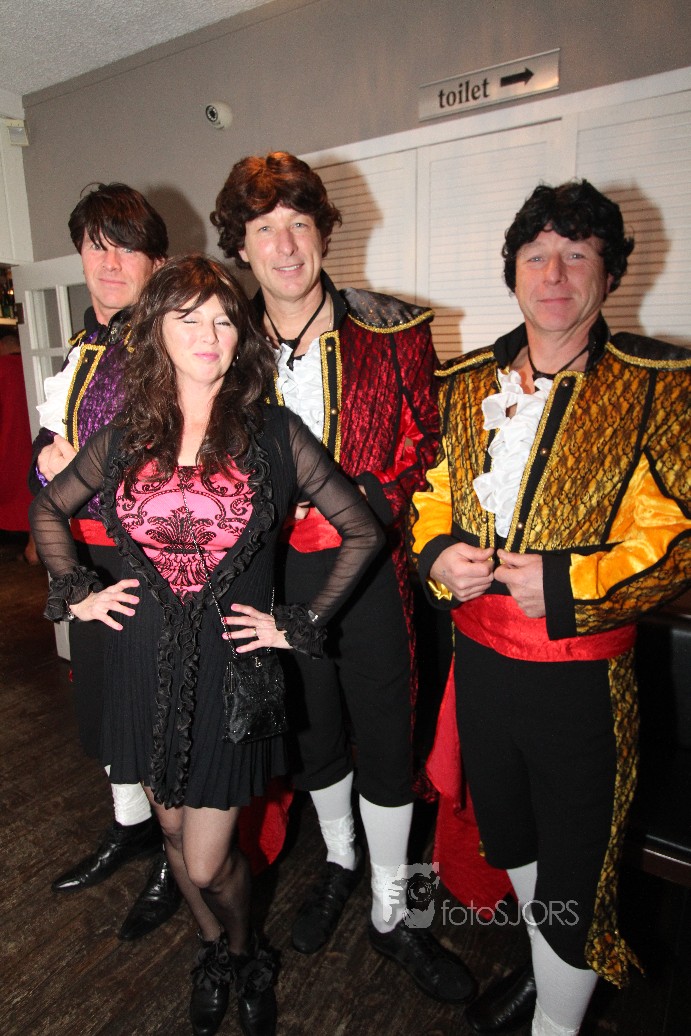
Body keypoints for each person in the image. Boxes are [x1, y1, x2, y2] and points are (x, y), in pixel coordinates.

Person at [30, 253, 383, 1036]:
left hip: (232, 676)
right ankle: (213, 951)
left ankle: (247, 951)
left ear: (241, 337)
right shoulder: (126, 435)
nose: (209, 334)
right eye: (188, 318)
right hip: (140, 665)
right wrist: (80, 591)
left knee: (204, 858)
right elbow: (49, 508)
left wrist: (295, 621)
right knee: (167, 832)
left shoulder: (274, 435)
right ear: (158, 331)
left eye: (224, 319)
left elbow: (362, 530)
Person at [409, 180, 691, 1036]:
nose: (554, 274)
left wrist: (569, 584)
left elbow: (678, 539)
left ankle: (557, 1023)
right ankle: (545, 972)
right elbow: (433, 492)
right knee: (514, 843)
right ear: (513, 274)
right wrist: (436, 554)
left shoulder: (659, 384)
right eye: (536, 256)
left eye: (576, 255)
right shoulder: (464, 381)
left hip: (580, 682)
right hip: (479, 667)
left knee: (576, 872)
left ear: (610, 274)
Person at [210, 152, 475, 1005]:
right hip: (272, 579)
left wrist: (362, 502)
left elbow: (429, 444)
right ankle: (338, 863)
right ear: (241, 246)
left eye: (299, 224)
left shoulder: (394, 329)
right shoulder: (221, 342)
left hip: (371, 573)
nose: (285, 246)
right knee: (314, 733)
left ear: (323, 232)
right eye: (264, 229)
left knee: (387, 738)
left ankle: (393, 910)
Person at [28, 182, 182, 940]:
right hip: (85, 559)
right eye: (96, 246)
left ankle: (175, 858)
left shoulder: (173, 345)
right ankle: (131, 828)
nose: (109, 262)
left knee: (153, 716)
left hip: (150, 562)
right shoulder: (82, 348)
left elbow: (190, 473)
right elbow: (52, 435)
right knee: (100, 704)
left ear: (156, 260)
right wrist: (45, 458)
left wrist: (82, 475)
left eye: (126, 247)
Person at [0, 328, 38, 563]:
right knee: (36, 492)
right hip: (35, 440)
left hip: (8, 444)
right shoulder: (35, 364)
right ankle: (34, 545)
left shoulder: (3, 368)